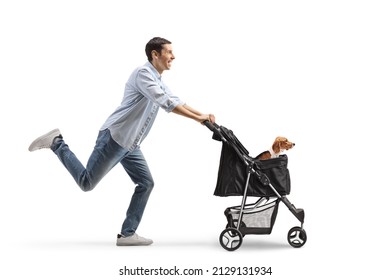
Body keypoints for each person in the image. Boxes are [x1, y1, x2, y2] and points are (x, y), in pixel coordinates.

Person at [28, 37, 215, 246]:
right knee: (86, 183)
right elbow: (166, 103)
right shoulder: (143, 74)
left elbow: (177, 100)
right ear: (155, 54)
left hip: (131, 145)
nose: (173, 56)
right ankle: (56, 142)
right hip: (115, 139)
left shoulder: (158, 79)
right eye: (169, 52)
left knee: (146, 183)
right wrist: (198, 119)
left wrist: (203, 115)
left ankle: (127, 234)